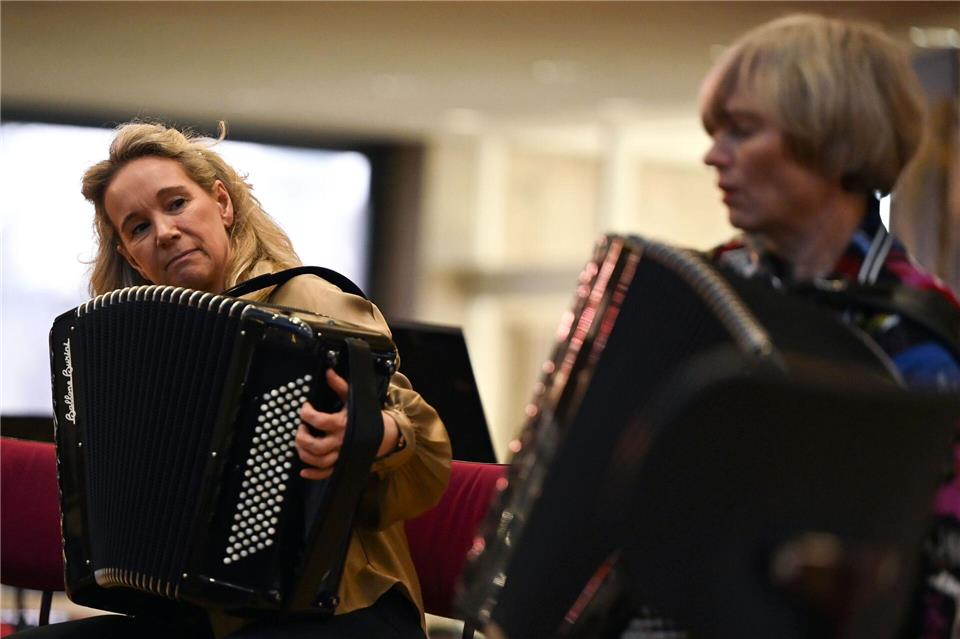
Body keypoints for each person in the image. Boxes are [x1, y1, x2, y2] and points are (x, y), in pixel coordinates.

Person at [19, 122, 452, 639]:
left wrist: (373, 433)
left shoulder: (307, 304)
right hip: (202, 613)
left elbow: (427, 448)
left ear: (221, 203)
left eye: (176, 203)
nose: (164, 231)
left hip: (341, 609)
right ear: (132, 255)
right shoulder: (136, 346)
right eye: (137, 227)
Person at [698, 13, 960, 637]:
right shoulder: (704, 291)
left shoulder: (918, 338)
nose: (713, 155)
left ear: (834, 142)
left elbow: (940, 586)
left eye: (742, 131)